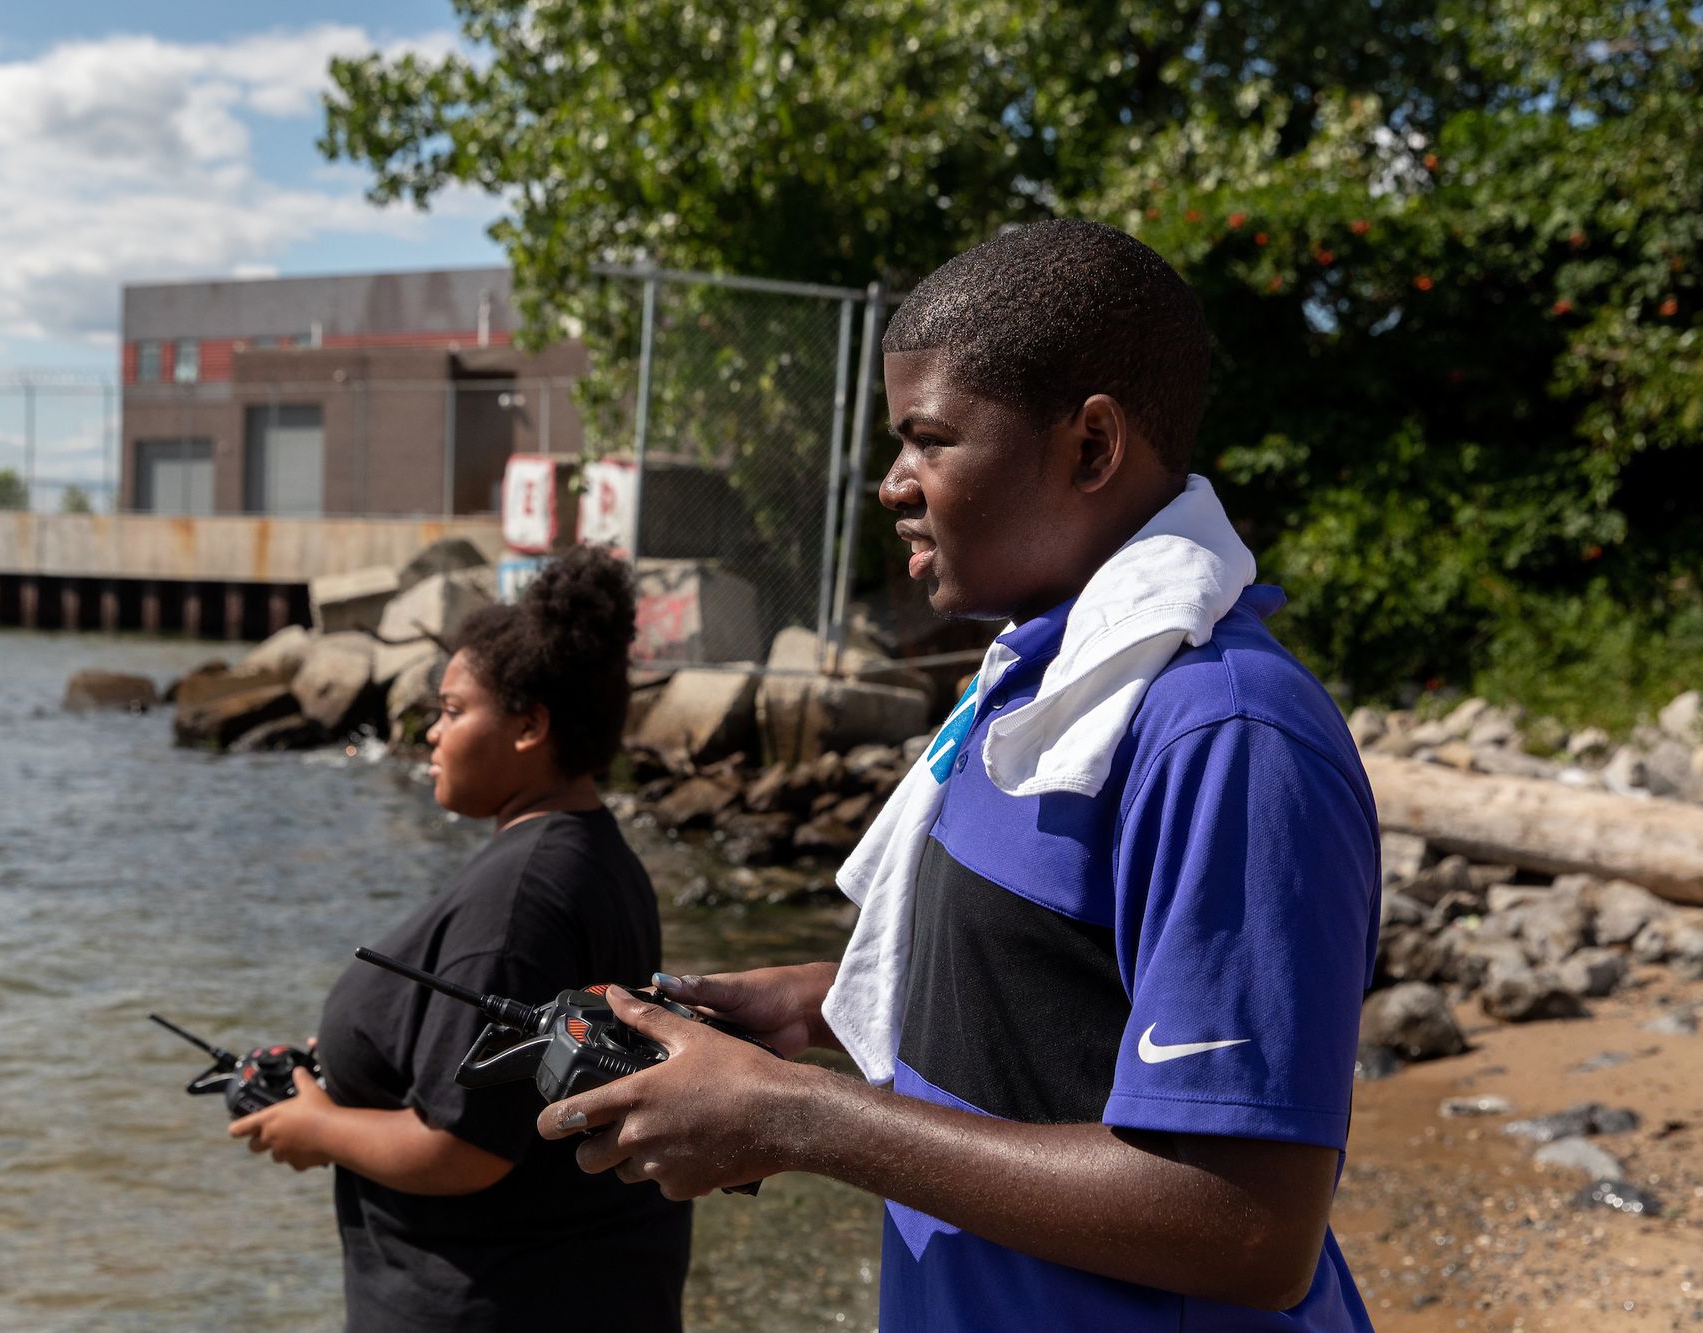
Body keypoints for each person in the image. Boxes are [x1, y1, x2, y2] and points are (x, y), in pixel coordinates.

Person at [537, 221, 1381, 1331]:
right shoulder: (1035, 686)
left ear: (1088, 447)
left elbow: (1248, 1225)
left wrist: (798, 1118)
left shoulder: (1221, 735)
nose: (891, 484)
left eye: (927, 440)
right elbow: (1050, 1000)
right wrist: (805, 1011)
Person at [229, 544, 691, 1332]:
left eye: (450, 710)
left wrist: (316, 1129)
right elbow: (514, 1064)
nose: (428, 732)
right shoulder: (591, 853)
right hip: (590, 1287)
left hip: (492, 1301)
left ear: (528, 725)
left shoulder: (518, 898)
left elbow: (466, 1149)